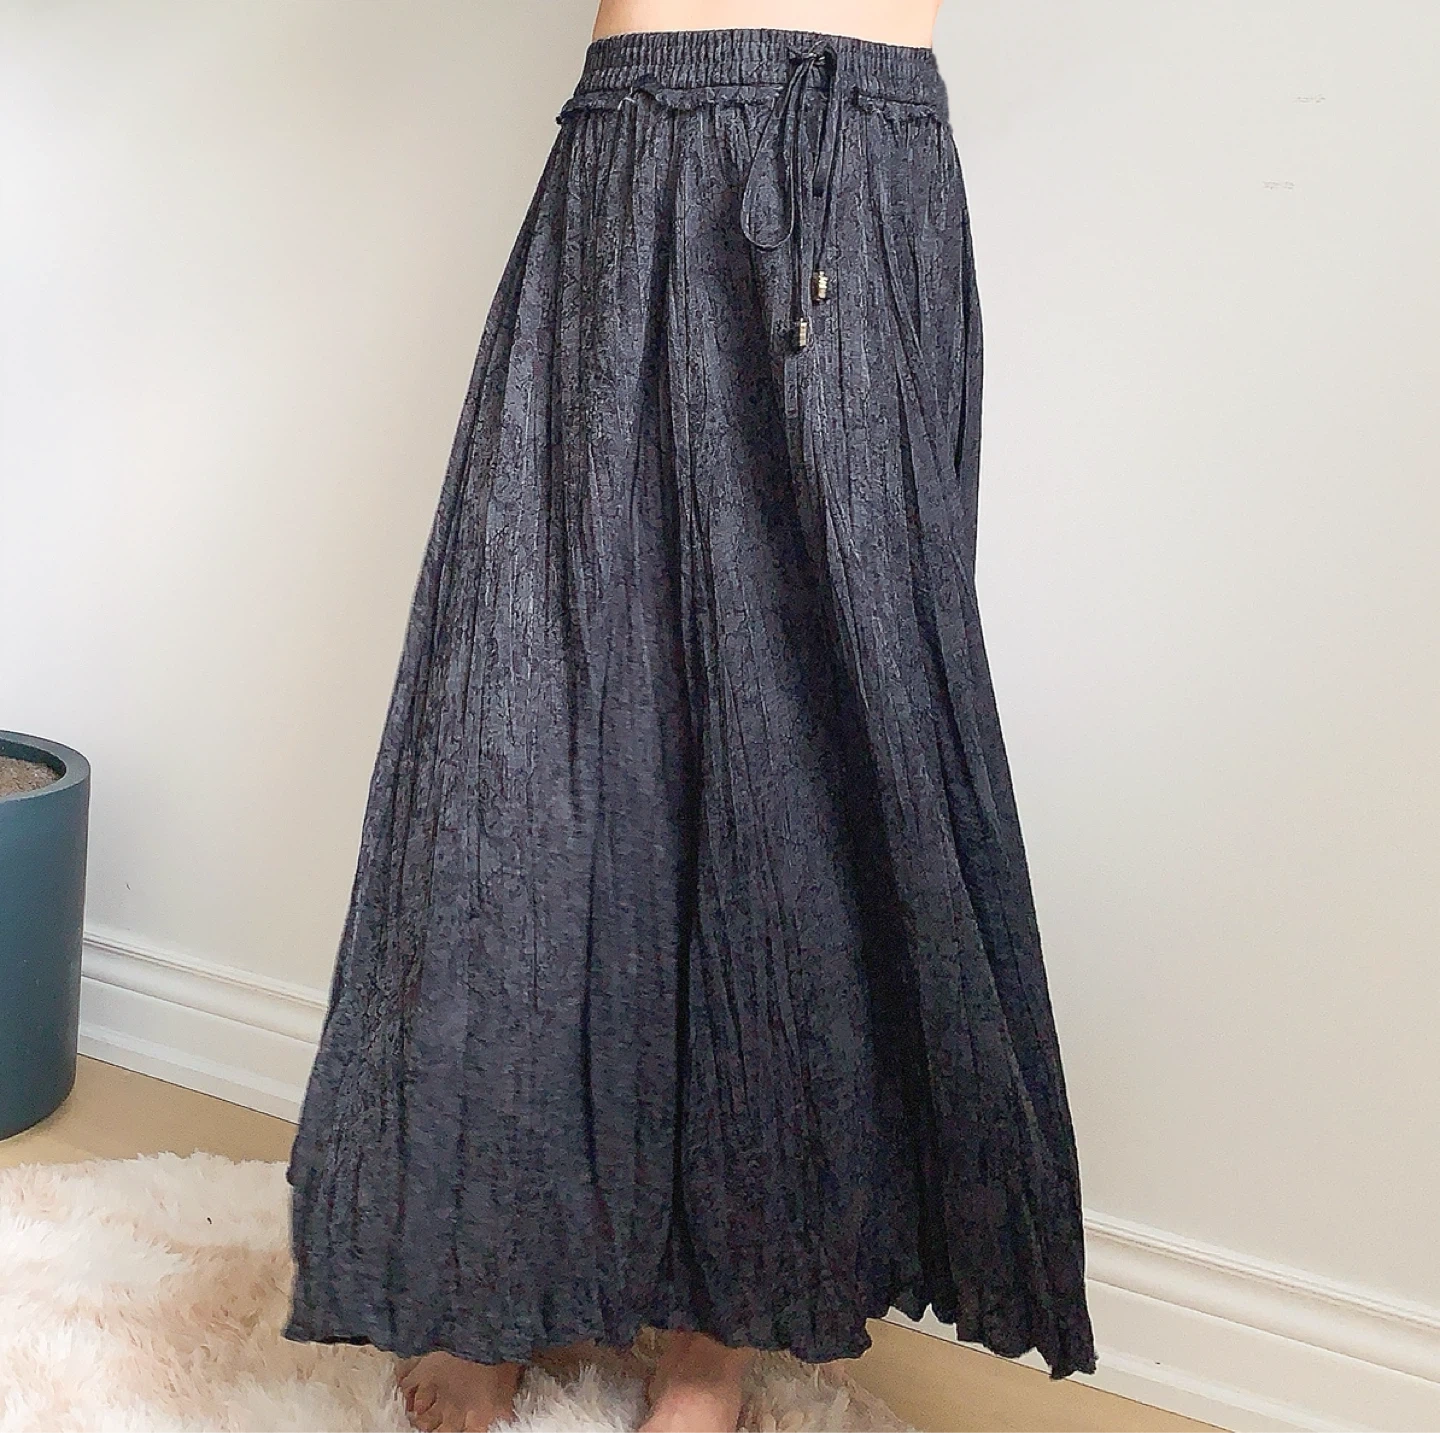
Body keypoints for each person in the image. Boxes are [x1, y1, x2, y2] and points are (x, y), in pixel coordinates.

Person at [282, 3, 1099, 1431]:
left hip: (864, 165)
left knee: (808, 772)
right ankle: (489, 1270)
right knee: (527, 720)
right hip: (639, 132)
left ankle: (716, 1338)